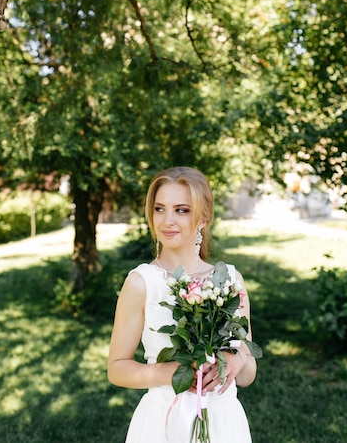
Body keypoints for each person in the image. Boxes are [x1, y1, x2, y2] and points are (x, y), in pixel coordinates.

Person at [108, 166, 257, 443]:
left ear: (204, 217)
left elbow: (248, 376)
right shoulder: (142, 283)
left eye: (182, 210)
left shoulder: (231, 282)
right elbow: (116, 368)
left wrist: (237, 360)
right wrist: (170, 373)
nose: (167, 221)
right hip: (163, 422)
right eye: (160, 209)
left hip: (224, 422)